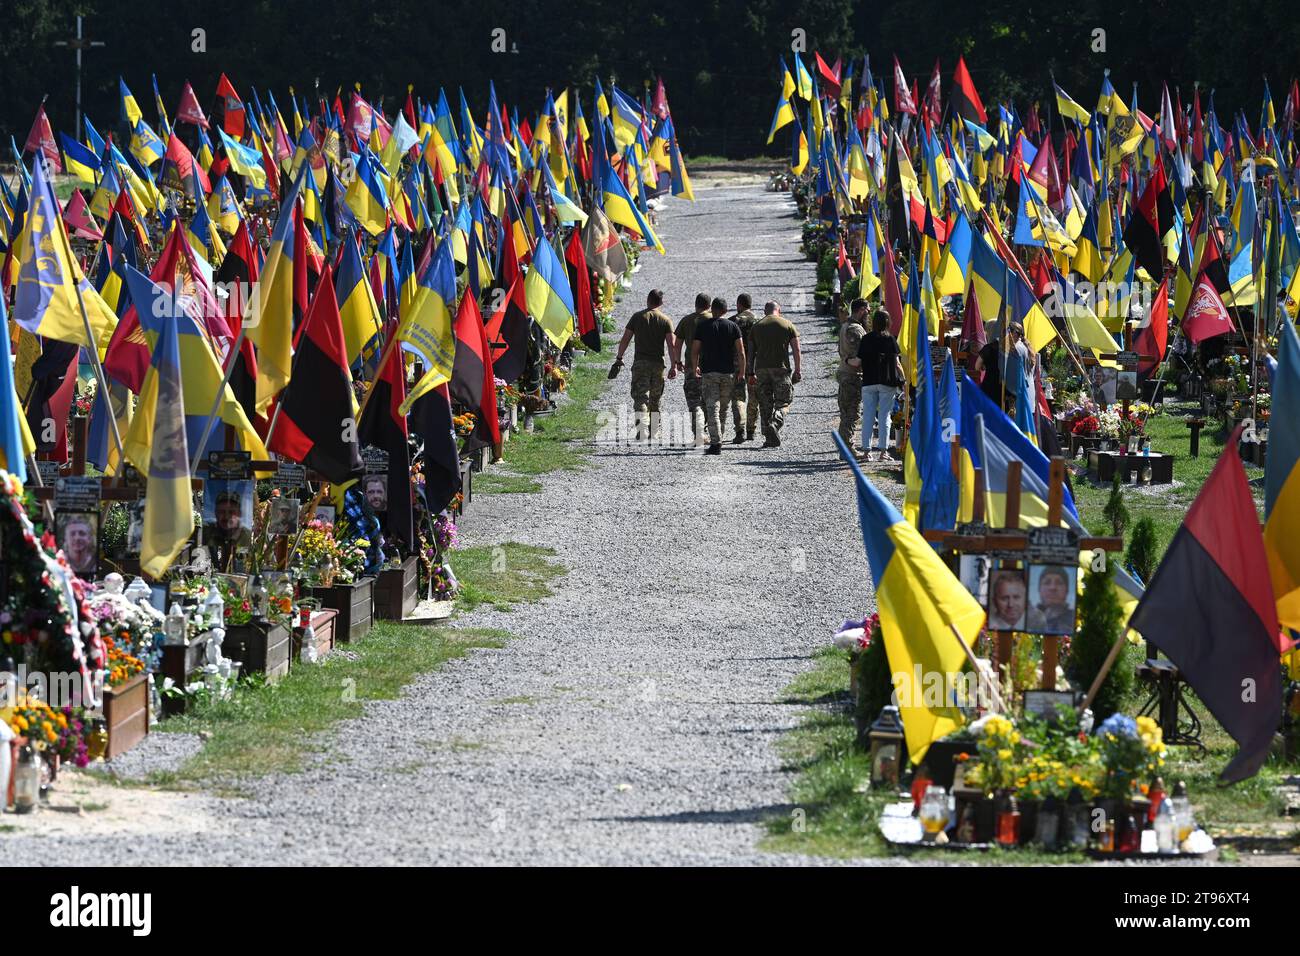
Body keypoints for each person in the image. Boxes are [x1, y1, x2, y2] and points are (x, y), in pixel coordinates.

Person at [614, 289, 677, 440]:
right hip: (658, 364)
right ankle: (654, 431)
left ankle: (641, 429)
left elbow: (626, 339)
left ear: (647, 300)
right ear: (661, 303)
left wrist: (619, 357)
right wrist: (674, 365)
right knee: (655, 399)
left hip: (640, 363)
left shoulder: (637, 317)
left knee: (641, 397)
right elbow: (671, 345)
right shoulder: (665, 320)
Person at [690, 297, 745, 455]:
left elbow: (695, 350)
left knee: (712, 407)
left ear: (712, 309)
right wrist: (741, 371)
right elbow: (741, 352)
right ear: (726, 311)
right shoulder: (733, 326)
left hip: (709, 373)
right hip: (728, 373)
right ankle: (718, 437)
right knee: (723, 408)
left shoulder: (703, 326)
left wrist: (695, 368)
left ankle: (716, 443)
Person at [848, 310, 904, 461]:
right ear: (888, 323)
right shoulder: (891, 339)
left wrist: (846, 360)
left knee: (868, 417)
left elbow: (857, 362)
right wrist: (904, 381)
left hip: (869, 382)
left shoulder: (866, 339)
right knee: (885, 417)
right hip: (887, 382)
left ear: (874, 322)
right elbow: (897, 364)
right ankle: (883, 452)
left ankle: (866, 452)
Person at [747, 300, 802, 447]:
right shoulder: (787, 324)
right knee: (783, 402)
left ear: (765, 311)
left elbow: (751, 352)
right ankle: (775, 422)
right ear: (779, 310)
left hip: (761, 370)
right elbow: (796, 349)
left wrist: (750, 373)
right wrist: (798, 369)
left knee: (765, 404)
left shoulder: (756, 326)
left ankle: (769, 438)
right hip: (780, 369)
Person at [673, 293, 711, 443]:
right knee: (709, 399)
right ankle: (706, 430)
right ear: (709, 306)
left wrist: (677, 361)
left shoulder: (686, 320)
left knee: (694, 400)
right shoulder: (713, 320)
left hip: (691, 365)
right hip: (710, 366)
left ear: (696, 304)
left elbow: (678, 343)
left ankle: (699, 432)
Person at [975, 322, 1030, 413]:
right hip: (1005, 391)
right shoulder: (1012, 352)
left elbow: (977, 366)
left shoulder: (989, 347)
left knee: (987, 419)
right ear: (1012, 334)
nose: (1020, 338)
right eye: (1019, 335)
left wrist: (985, 366)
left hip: (988, 387)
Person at [837, 298, 868, 450]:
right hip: (852, 375)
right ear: (861, 310)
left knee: (846, 412)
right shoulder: (855, 329)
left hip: (845, 372)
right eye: (866, 310)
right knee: (851, 413)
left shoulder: (845, 326)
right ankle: (848, 447)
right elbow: (858, 357)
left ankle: (845, 447)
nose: (868, 313)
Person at [729, 293, 760, 443]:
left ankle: (739, 430)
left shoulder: (732, 321)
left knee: (738, 397)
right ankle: (751, 430)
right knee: (754, 397)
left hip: (736, 364)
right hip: (754, 365)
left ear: (738, 304)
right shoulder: (759, 321)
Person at [205, 489, 252, 571]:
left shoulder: (246, 535)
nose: (226, 517)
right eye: (222, 512)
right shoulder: (208, 532)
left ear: (239, 514)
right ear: (216, 513)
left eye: (231, 512)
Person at [1026, 566, 1075, 634]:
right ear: (1039, 589)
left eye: (1059, 583)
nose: (1053, 588)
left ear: (1067, 590)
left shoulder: (1074, 619)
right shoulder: (1027, 618)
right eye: (1047, 582)